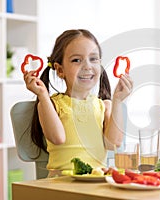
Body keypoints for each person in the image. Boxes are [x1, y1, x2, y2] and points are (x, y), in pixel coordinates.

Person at [23, 29, 133, 177]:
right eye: (76, 60)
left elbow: (114, 143)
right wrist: (43, 95)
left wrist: (118, 100)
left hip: (96, 183)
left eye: (93, 59)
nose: (87, 66)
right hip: (61, 184)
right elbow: (58, 138)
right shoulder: (51, 105)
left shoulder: (104, 106)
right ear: (60, 70)